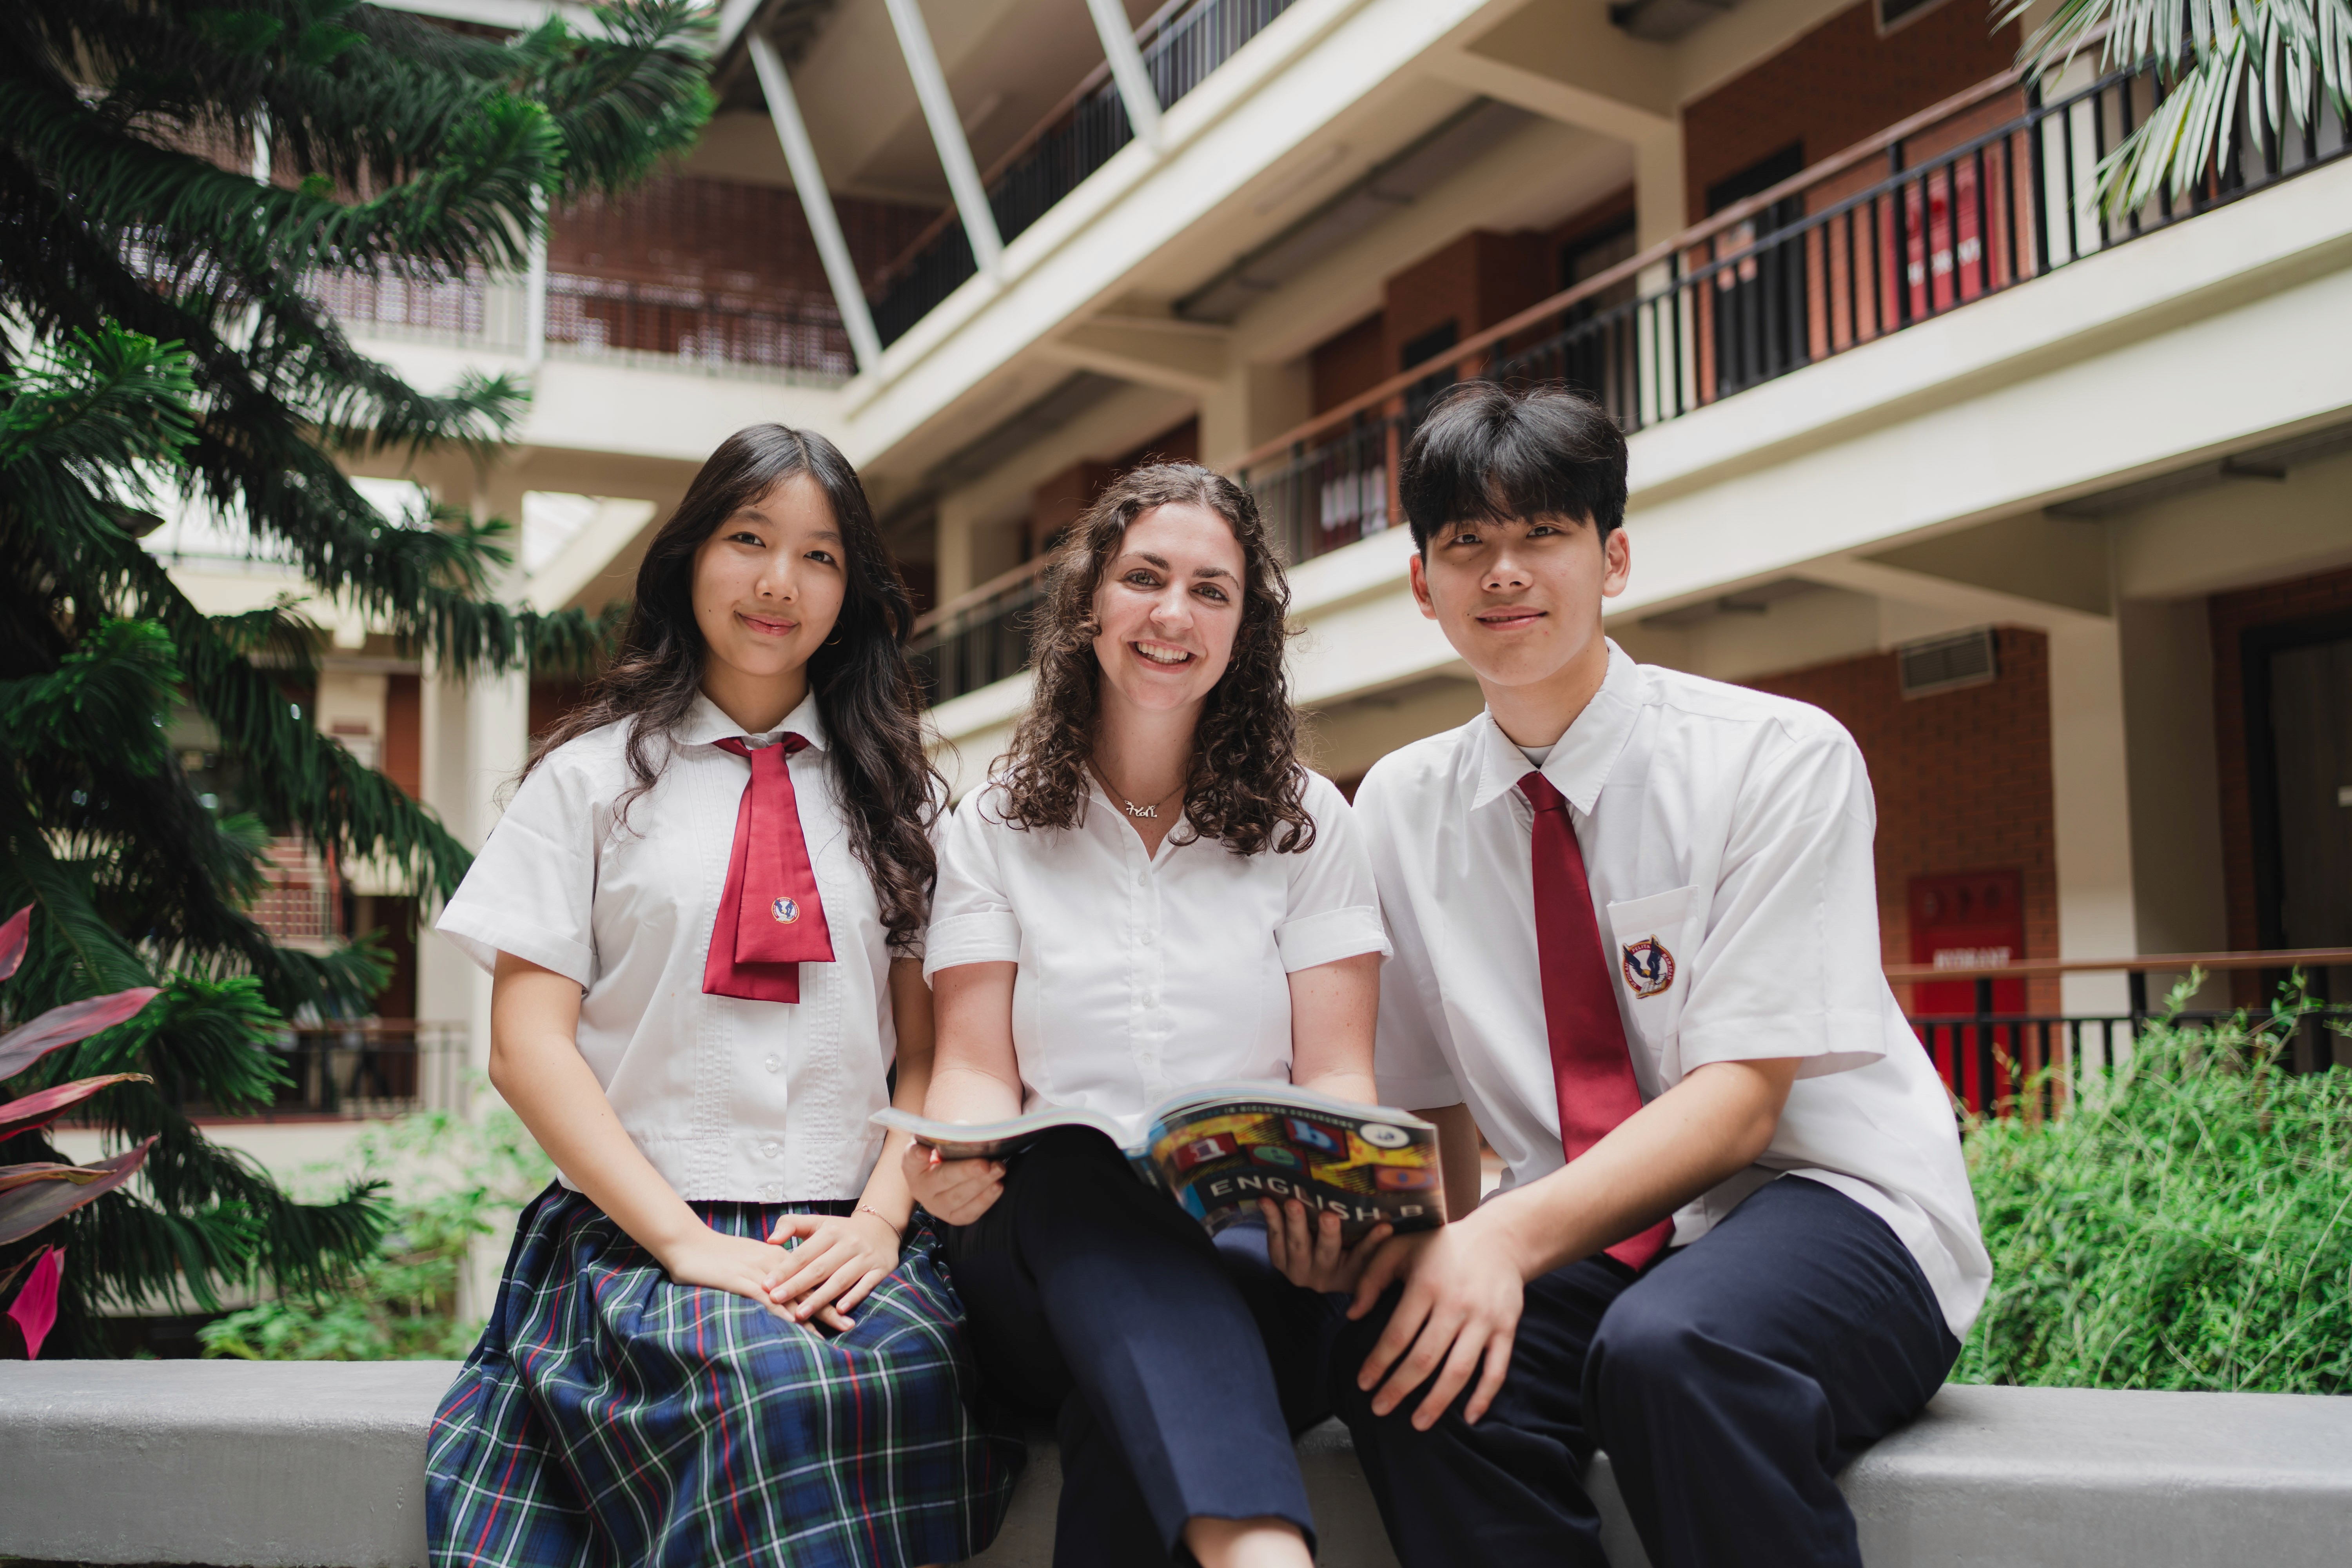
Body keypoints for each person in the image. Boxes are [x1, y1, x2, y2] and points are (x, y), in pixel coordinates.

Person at [1334, 382, 1990, 1568]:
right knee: (1412, 1366)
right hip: (1587, 1226)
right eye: (1467, 542)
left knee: (1673, 1353)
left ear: (1615, 558)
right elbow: (1430, 1105)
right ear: (1423, 587)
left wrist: (1502, 1240)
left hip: (1834, 1203)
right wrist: (1436, 1247)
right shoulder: (1398, 805)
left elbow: (1740, 1104)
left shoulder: (1775, 756)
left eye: (1544, 532)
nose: (1504, 572)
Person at [425, 425, 1022, 1568]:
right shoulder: (584, 783)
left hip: (847, 1235)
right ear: (690, 555)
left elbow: (929, 1052)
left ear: (851, 594)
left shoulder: (902, 802)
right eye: (749, 539)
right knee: (764, 1394)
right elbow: (526, 1047)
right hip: (637, 1241)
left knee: (877, 1385)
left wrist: (881, 1222)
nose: (777, 582)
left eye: (819, 555)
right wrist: (686, 1242)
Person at [904, 463, 1414, 1568]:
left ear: (1246, 629)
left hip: (1261, 1265)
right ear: (1090, 602)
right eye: (1144, 578)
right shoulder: (993, 824)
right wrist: (951, 1155)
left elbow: (1337, 1076)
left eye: (1210, 590)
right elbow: (976, 1069)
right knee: (1076, 1167)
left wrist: (1333, 1199)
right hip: (1039, 1269)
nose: (1173, 614)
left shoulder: (1308, 824)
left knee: (1133, 1386)